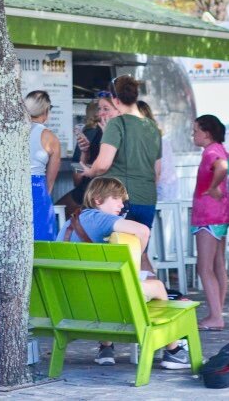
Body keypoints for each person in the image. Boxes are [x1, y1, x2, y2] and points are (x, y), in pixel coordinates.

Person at [65, 177, 191, 370]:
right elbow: (142, 231)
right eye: (116, 198)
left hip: (73, 302)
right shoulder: (98, 218)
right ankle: (173, 351)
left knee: (101, 288)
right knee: (156, 286)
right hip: (103, 300)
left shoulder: (69, 223)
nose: (121, 204)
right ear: (98, 200)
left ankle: (106, 348)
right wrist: (134, 264)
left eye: (123, 200)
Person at [83, 76, 161, 231]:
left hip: (120, 199)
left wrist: (89, 171)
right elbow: (157, 171)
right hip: (147, 199)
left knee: (117, 251)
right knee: (139, 251)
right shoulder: (152, 126)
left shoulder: (116, 123)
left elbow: (103, 165)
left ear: (114, 99)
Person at [190, 114, 229, 331]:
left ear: (206, 133)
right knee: (218, 265)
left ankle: (216, 316)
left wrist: (214, 186)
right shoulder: (221, 149)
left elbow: (224, 167)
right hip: (222, 214)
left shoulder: (211, 152)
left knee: (204, 267)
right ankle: (217, 311)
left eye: (196, 130)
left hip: (208, 215)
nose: (193, 134)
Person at [25, 90, 61, 241]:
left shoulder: (11, 131)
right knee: (41, 239)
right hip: (37, 187)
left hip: (12, 185)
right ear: (46, 111)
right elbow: (50, 181)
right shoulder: (50, 138)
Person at [139, 101, 179, 203]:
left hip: (161, 189)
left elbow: (157, 172)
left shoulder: (152, 139)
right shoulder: (157, 137)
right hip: (166, 187)